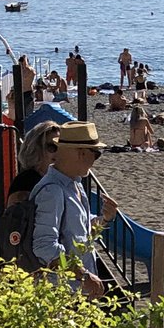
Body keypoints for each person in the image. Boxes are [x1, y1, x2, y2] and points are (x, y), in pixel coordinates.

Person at [29, 121, 118, 299]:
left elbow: (80, 231)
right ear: (81, 153)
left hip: (76, 290)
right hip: (59, 293)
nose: (95, 161)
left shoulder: (74, 184)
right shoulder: (52, 190)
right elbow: (45, 246)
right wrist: (83, 275)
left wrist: (105, 219)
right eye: (96, 154)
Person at [7, 122, 61, 205]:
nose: (58, 152)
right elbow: (16, 216)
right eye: (52, 147)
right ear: (36, 149)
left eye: (61, 147)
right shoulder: (26, 181)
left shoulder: (61, 179)